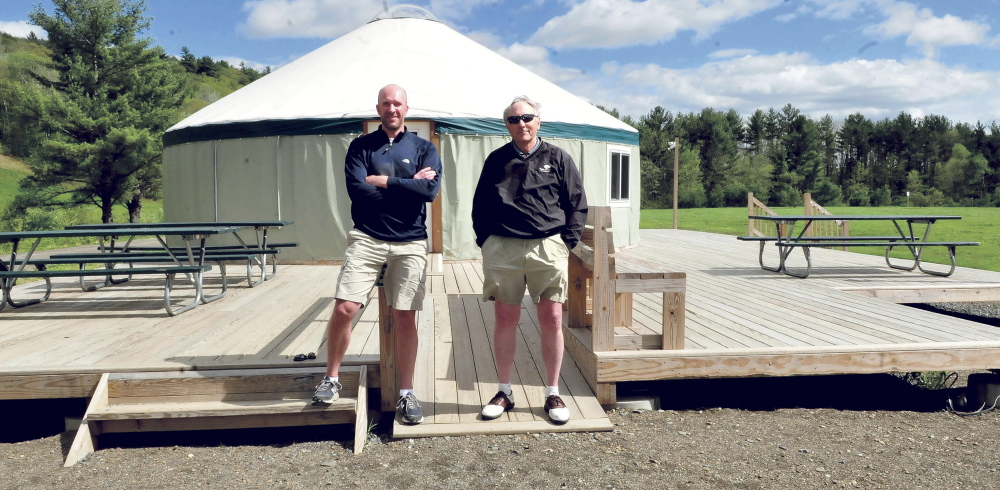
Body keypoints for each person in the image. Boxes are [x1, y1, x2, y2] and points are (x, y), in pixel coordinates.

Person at [312, 84, 441, 425]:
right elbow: (358, 191)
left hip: (410, 240)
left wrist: (383, 182)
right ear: (378, 108)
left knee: (404, 314)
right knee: (346, 307)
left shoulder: (425, 147)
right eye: (386, 103)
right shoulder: (360, 146)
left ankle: (407, 392)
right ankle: (332, 377)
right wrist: (406, 185)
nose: (392, 108)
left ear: (406, 108)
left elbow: (429, 191)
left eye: (397, 103)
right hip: (367, 237)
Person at [471, 95, 588, 424]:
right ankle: (504, 391)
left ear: (538, 121)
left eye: (527, 118)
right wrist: (487, 242)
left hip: (547, 248)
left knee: (551, 318)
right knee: (505, 319)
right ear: (506, 125)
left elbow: (577, 202)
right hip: (504, 249)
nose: (521, 124)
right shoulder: (496, 160)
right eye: (513, 119)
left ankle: (552, 392)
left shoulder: (559, 158)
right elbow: (480, 205)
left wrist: (565, 243)